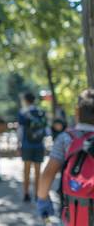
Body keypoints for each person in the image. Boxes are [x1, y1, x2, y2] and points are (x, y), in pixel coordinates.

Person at [37, 89, 94, 224]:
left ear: (76, 112)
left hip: (74, 213)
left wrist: (43, 201)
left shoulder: (66, 138)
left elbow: (48, 173)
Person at [18, 92, 47, 202]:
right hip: (39, 145)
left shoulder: (23, 113)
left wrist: (18, 144)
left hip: (27, 144)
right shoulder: (40, 112)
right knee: (38, 171)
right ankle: (37, 194)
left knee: (26, 170)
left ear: (25, 100)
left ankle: (26, 194)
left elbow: (20, 130)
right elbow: (46, 130)